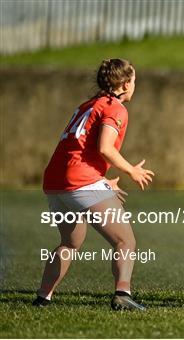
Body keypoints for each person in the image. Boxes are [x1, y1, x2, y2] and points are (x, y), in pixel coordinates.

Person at [34, 58, 154, 310]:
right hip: (80, 181)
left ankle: (43, 298)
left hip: (56, 182)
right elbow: (104, 148)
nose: (134, 85)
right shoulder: (115, 108)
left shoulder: (88, 105)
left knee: (70, 243)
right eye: (133, 80)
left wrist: (100, 180)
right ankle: (123, 294)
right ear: (123, 84)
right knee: (125, 241)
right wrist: (131, 170)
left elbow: (78, 148)